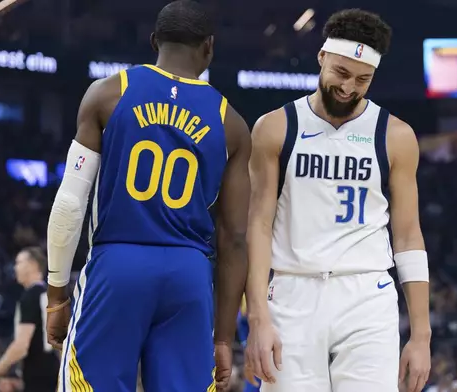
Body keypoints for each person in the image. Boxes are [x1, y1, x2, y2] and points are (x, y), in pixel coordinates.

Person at [44, 1, 251, 391]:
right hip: (189, 275)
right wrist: (223, 338)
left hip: (118, 264)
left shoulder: (108, 94)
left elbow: (70, 204)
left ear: (154, 41)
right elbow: (235, 239)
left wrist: (56, 295)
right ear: (209, 47)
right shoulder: (232, 124)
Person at [244, 8, 431, 392]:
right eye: (341, 74)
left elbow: (409, 237)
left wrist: (422, 336)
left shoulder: (395, 136)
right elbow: (258, 226)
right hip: (293, 292)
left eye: (363, 79)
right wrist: (258, 317)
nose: (349, 87)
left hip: (367, 294)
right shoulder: (275, 127)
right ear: (322, 57)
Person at [0, 247, 59, 391]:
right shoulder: (51, 295)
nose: (15, 267)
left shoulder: (29, 297)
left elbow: (21, 346)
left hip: (38, 376)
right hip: (54, 372)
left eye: (19, 262)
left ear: (33, 265)